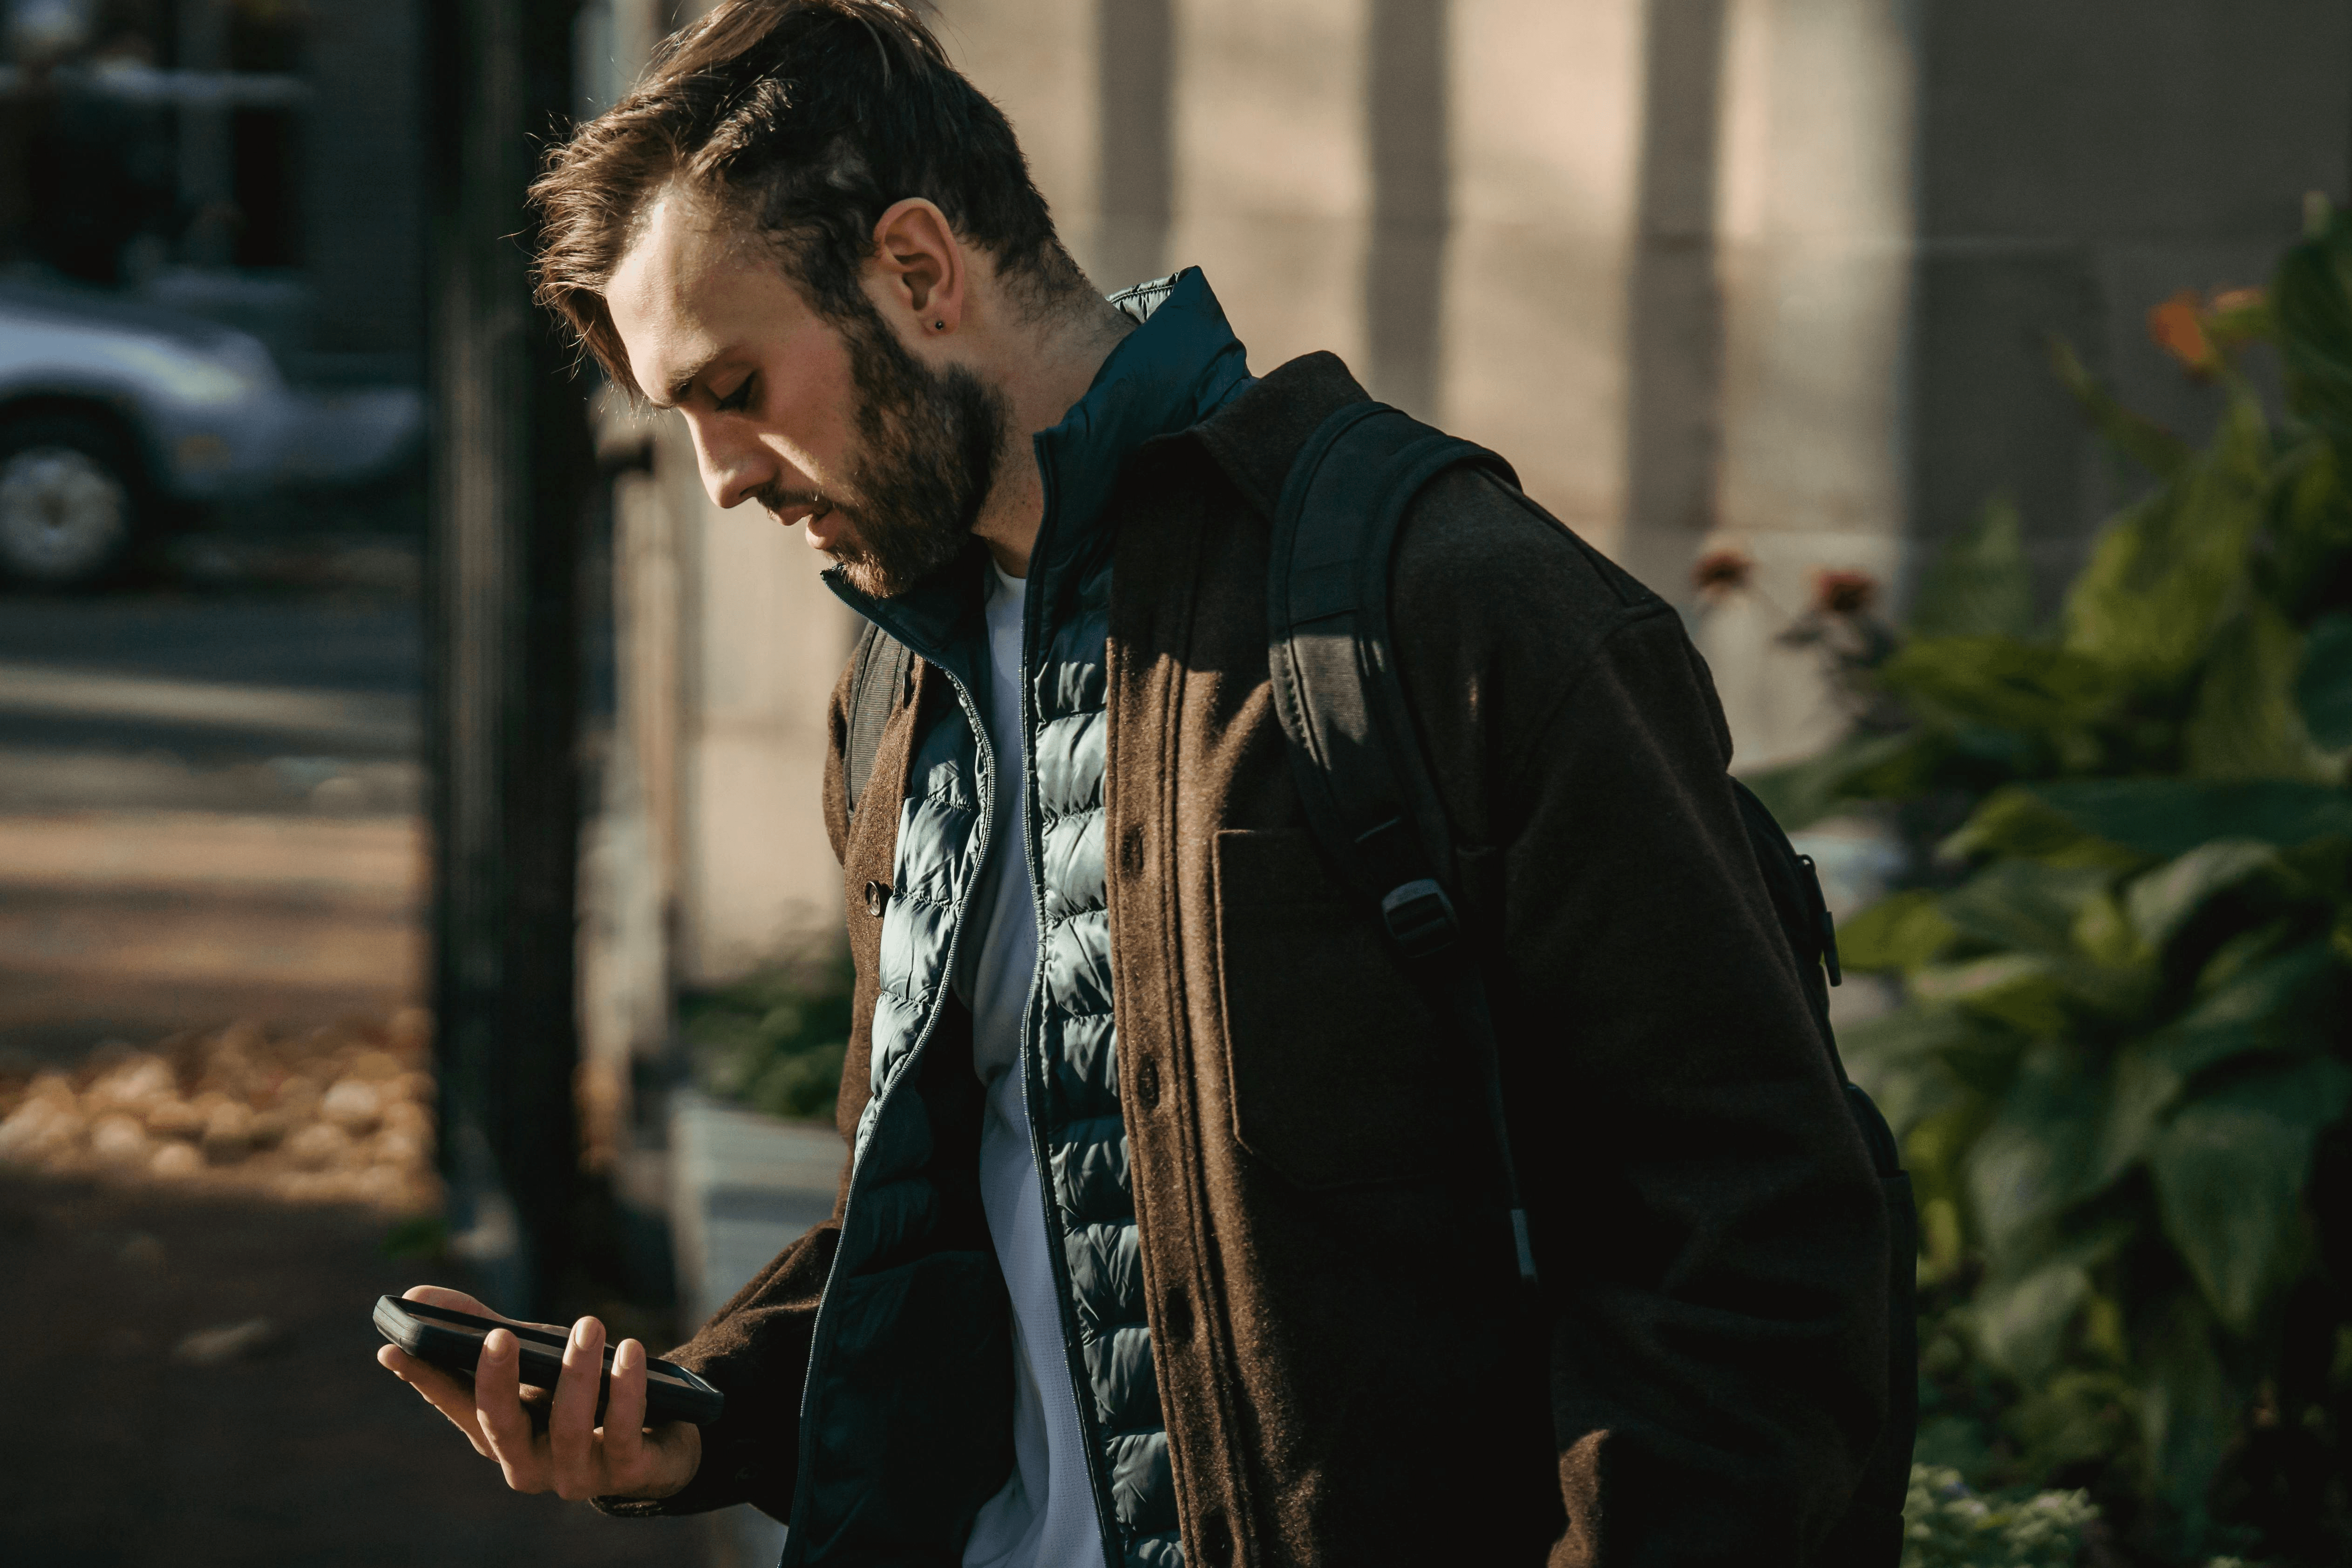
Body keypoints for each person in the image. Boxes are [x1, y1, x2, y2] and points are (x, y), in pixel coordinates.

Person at [377, 3, 1891, 1563]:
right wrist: (712, 1413)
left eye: (737, 386)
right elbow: (983, 1221)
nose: (721, 477)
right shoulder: (903, 689)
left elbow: (1756, 1243)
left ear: (919, 270)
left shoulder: (1445, 605)